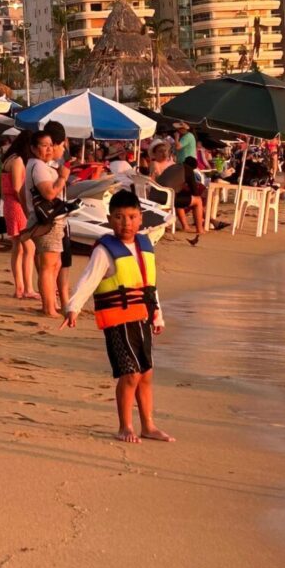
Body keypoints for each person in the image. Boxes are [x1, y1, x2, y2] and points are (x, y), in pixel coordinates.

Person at [61, 189, 170, 444]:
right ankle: (125, 426)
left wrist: (158, 315)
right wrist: (73, 307)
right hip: (118, 321)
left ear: (141, 218)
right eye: (119, 217)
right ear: (110, 220)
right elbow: (88, 280)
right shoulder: (105, 250)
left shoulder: (145, 245)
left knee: (146, 373)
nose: (126, 223)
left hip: (142, 315)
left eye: (132, 217)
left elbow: (150, 286)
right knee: (130, 374)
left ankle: (148, 425)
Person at [25, 125, 72, 316]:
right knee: (48, 265)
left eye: (51, 145)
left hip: (49, 221)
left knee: (54, 265)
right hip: (46, 222)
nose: (49, 149)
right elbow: (49, 193)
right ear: (34, 148)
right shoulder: (38, 166)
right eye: (44, 146)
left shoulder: (39, 165)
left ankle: (50, 305)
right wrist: (62, 178)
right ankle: (48, 307)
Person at [0, 130, 36, 301]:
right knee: (28, 247)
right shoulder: (18, 161)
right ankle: (26, 287)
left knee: (19, 248)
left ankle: (21, 288)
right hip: (17, 205)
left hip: (10, 204)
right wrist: (26, 205)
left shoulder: (9, 159)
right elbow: (17, 187)